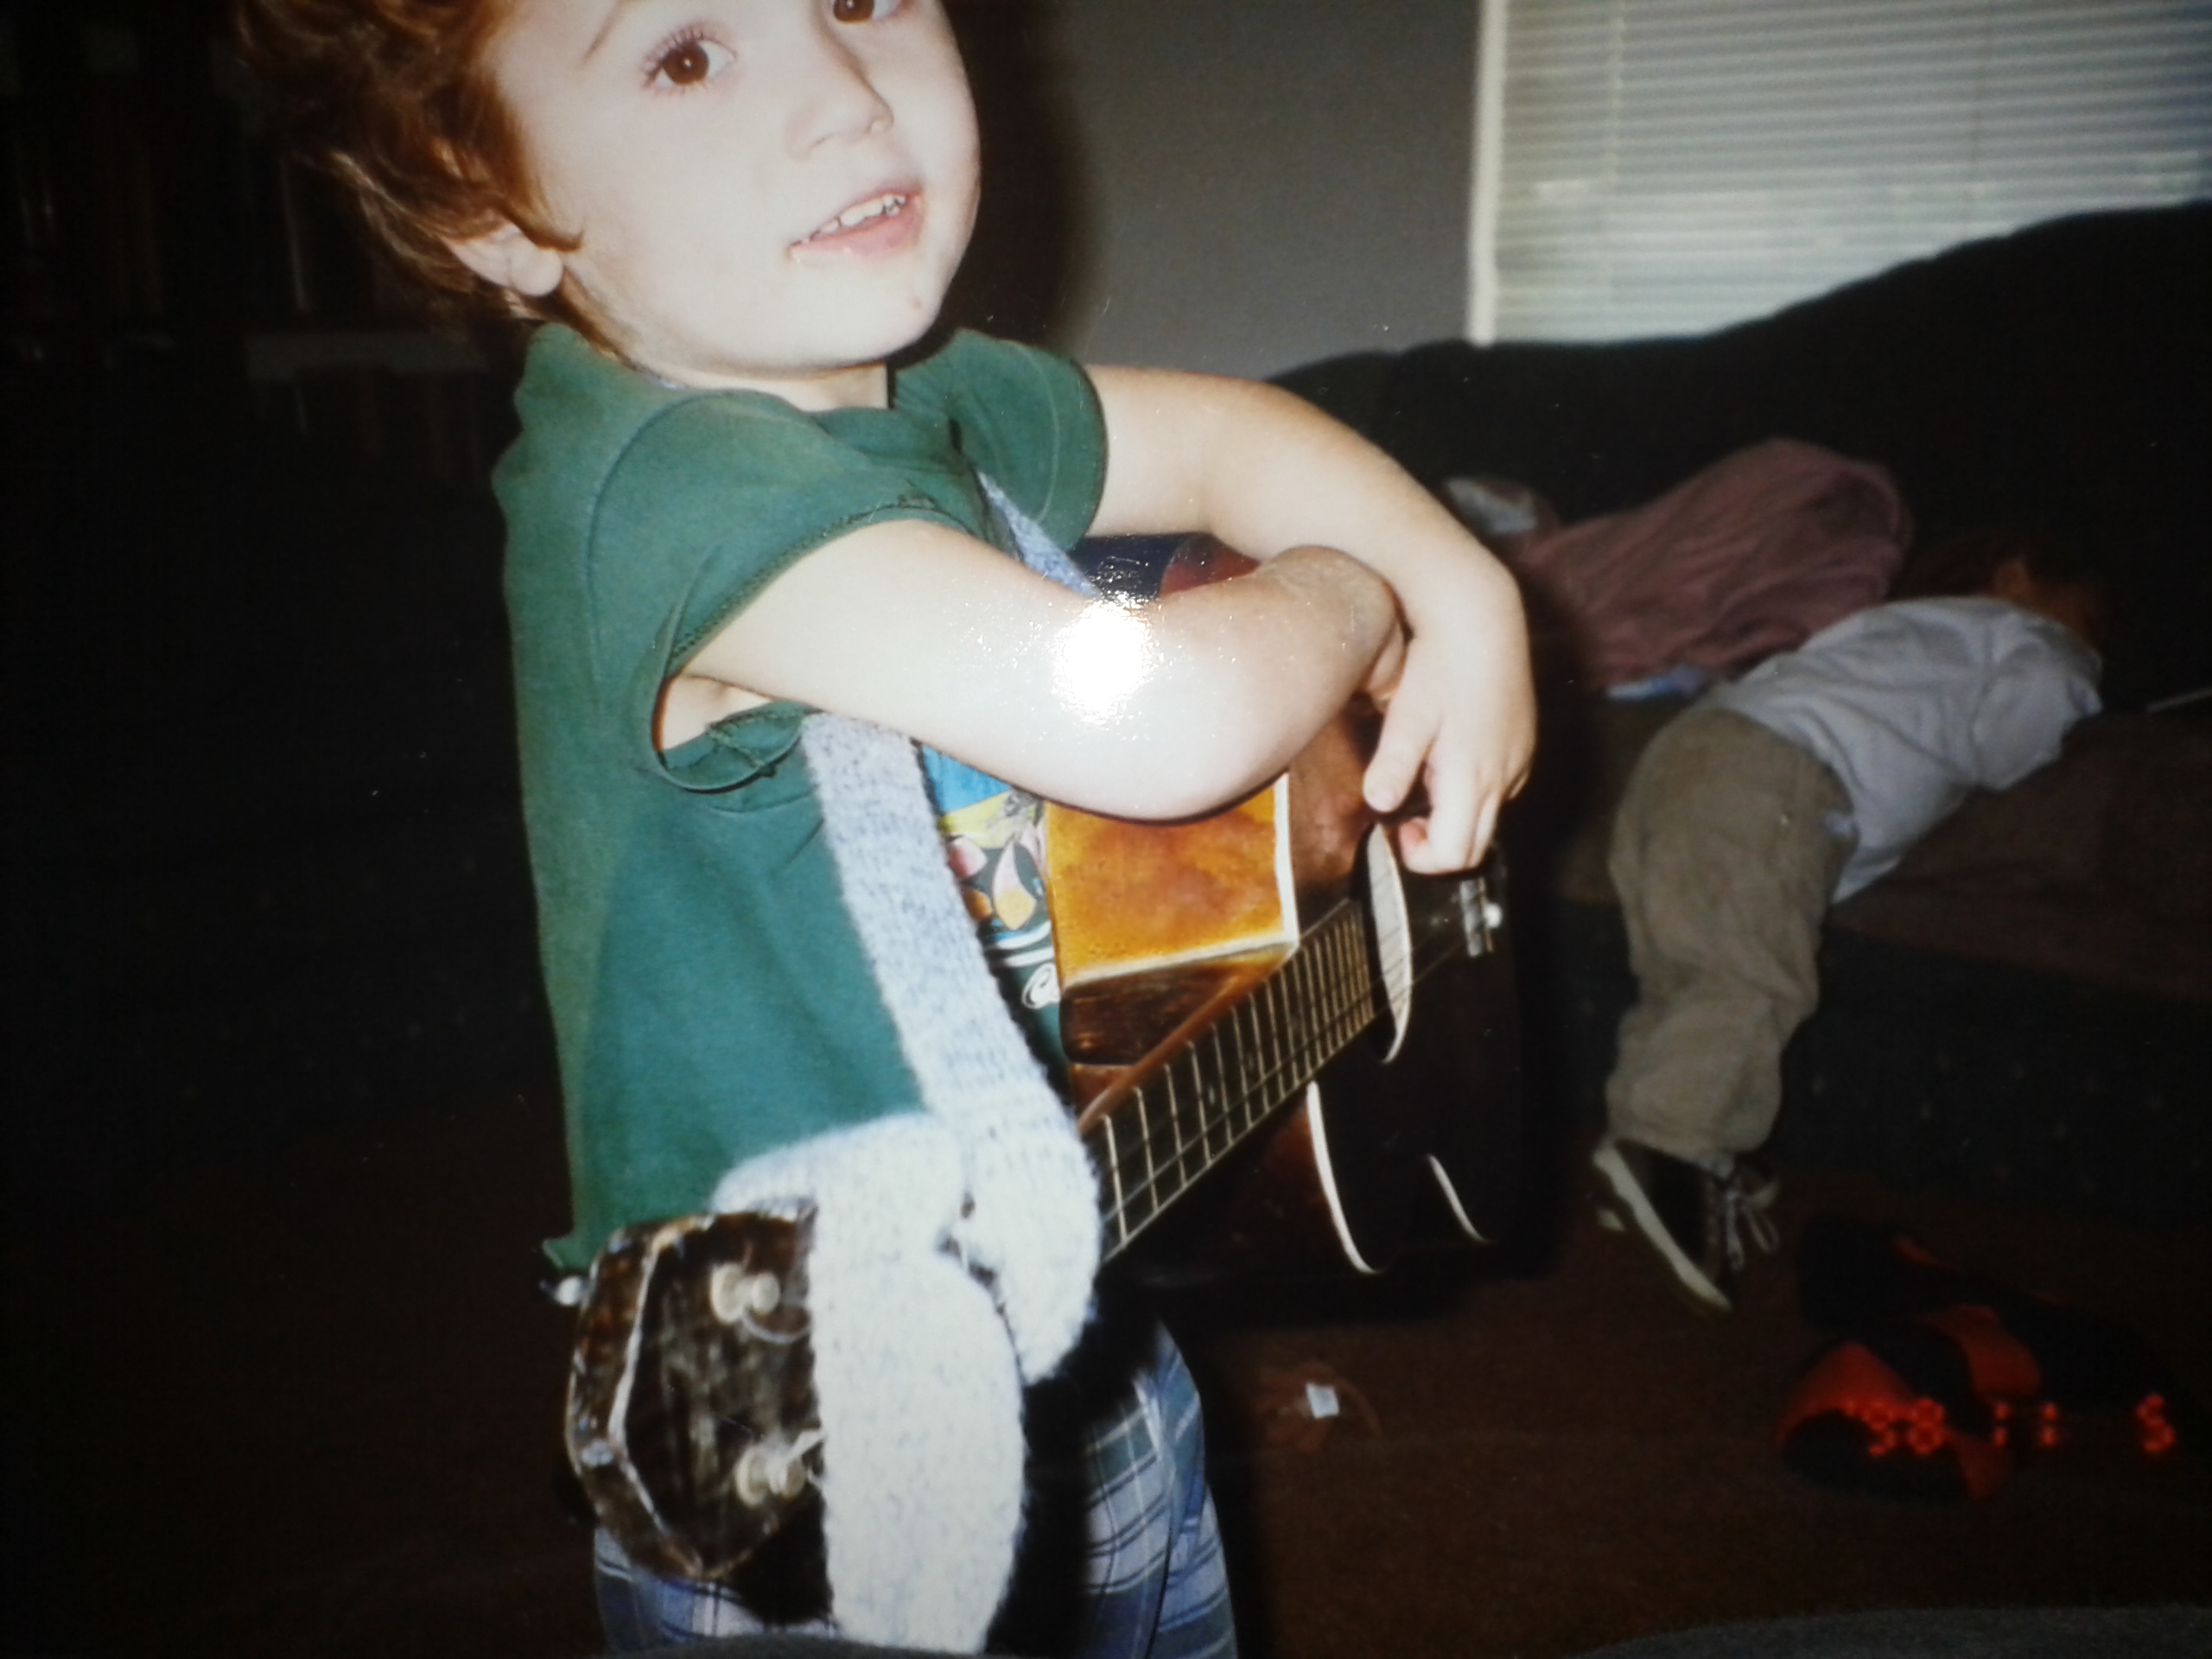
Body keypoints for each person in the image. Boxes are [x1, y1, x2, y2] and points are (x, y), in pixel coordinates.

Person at [233, 3, 1535, 1654]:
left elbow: (1219, 435)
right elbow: (1154, 715)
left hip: (1081, 1316)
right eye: (686, 55)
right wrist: (1371, 588)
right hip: (824, 1468)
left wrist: (1464, 580)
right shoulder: (668, 495)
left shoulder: (914, 397)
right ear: (485, 205)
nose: (845, 97)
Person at [1591, 528, 2105, 1314]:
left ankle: (1653, 1149)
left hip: (1683, 758)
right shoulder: (2029, 640)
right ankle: (1671, 1148)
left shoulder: (1901, 632)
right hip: (1778, 772)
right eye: (2089, 621)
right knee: (1752, 983)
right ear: (2016, 576)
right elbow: (2020, 730)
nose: (2092, 645)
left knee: (1687, 979)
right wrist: (2081, 688)